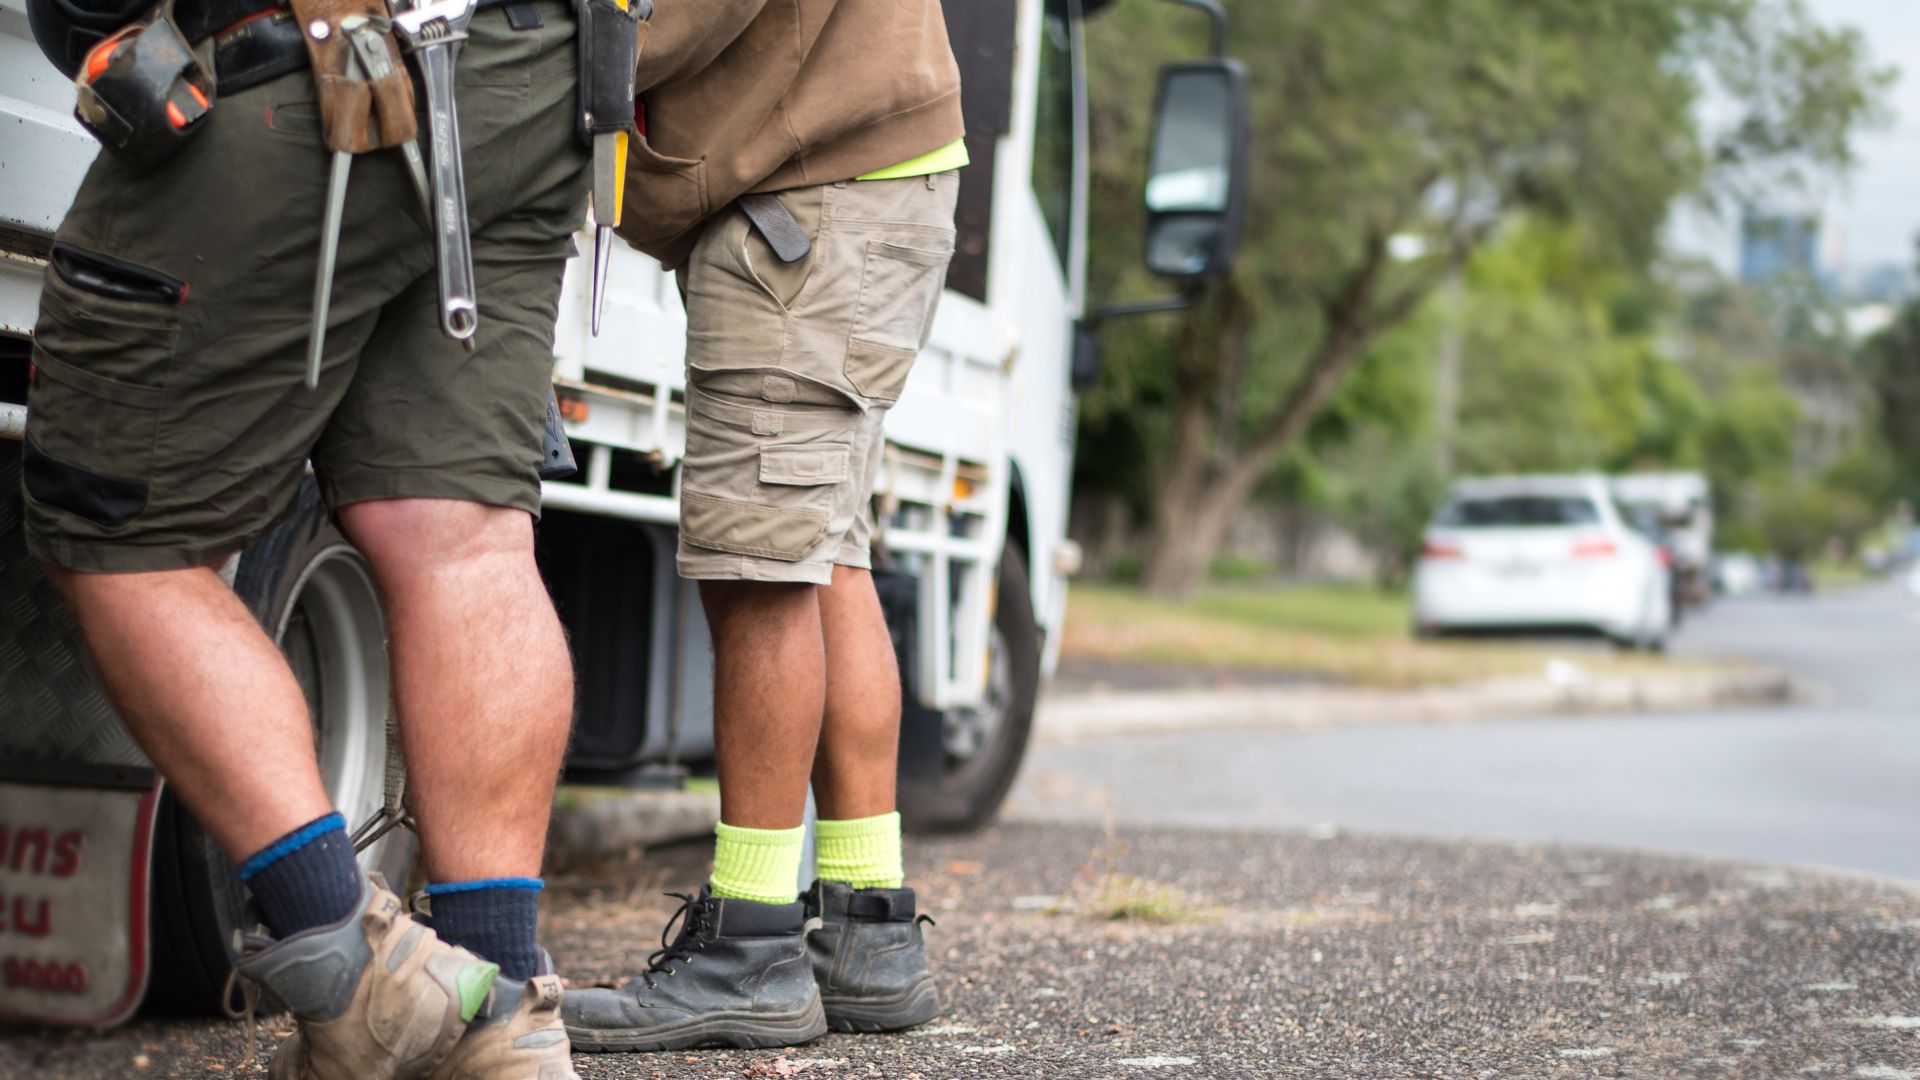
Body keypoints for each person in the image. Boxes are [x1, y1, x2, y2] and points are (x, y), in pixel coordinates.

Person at [20, 0, 592, 1072]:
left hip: (314, 52)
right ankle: (499, 1015)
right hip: (530, 65)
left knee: (117, 528)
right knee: (457, 532)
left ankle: (356, 976)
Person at [562, 0, 963, 1053]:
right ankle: (867, 931)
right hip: (863, 183)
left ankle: (747, 947)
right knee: (825, 557)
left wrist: (552, 45)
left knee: (762, 573)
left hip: (813, 197)